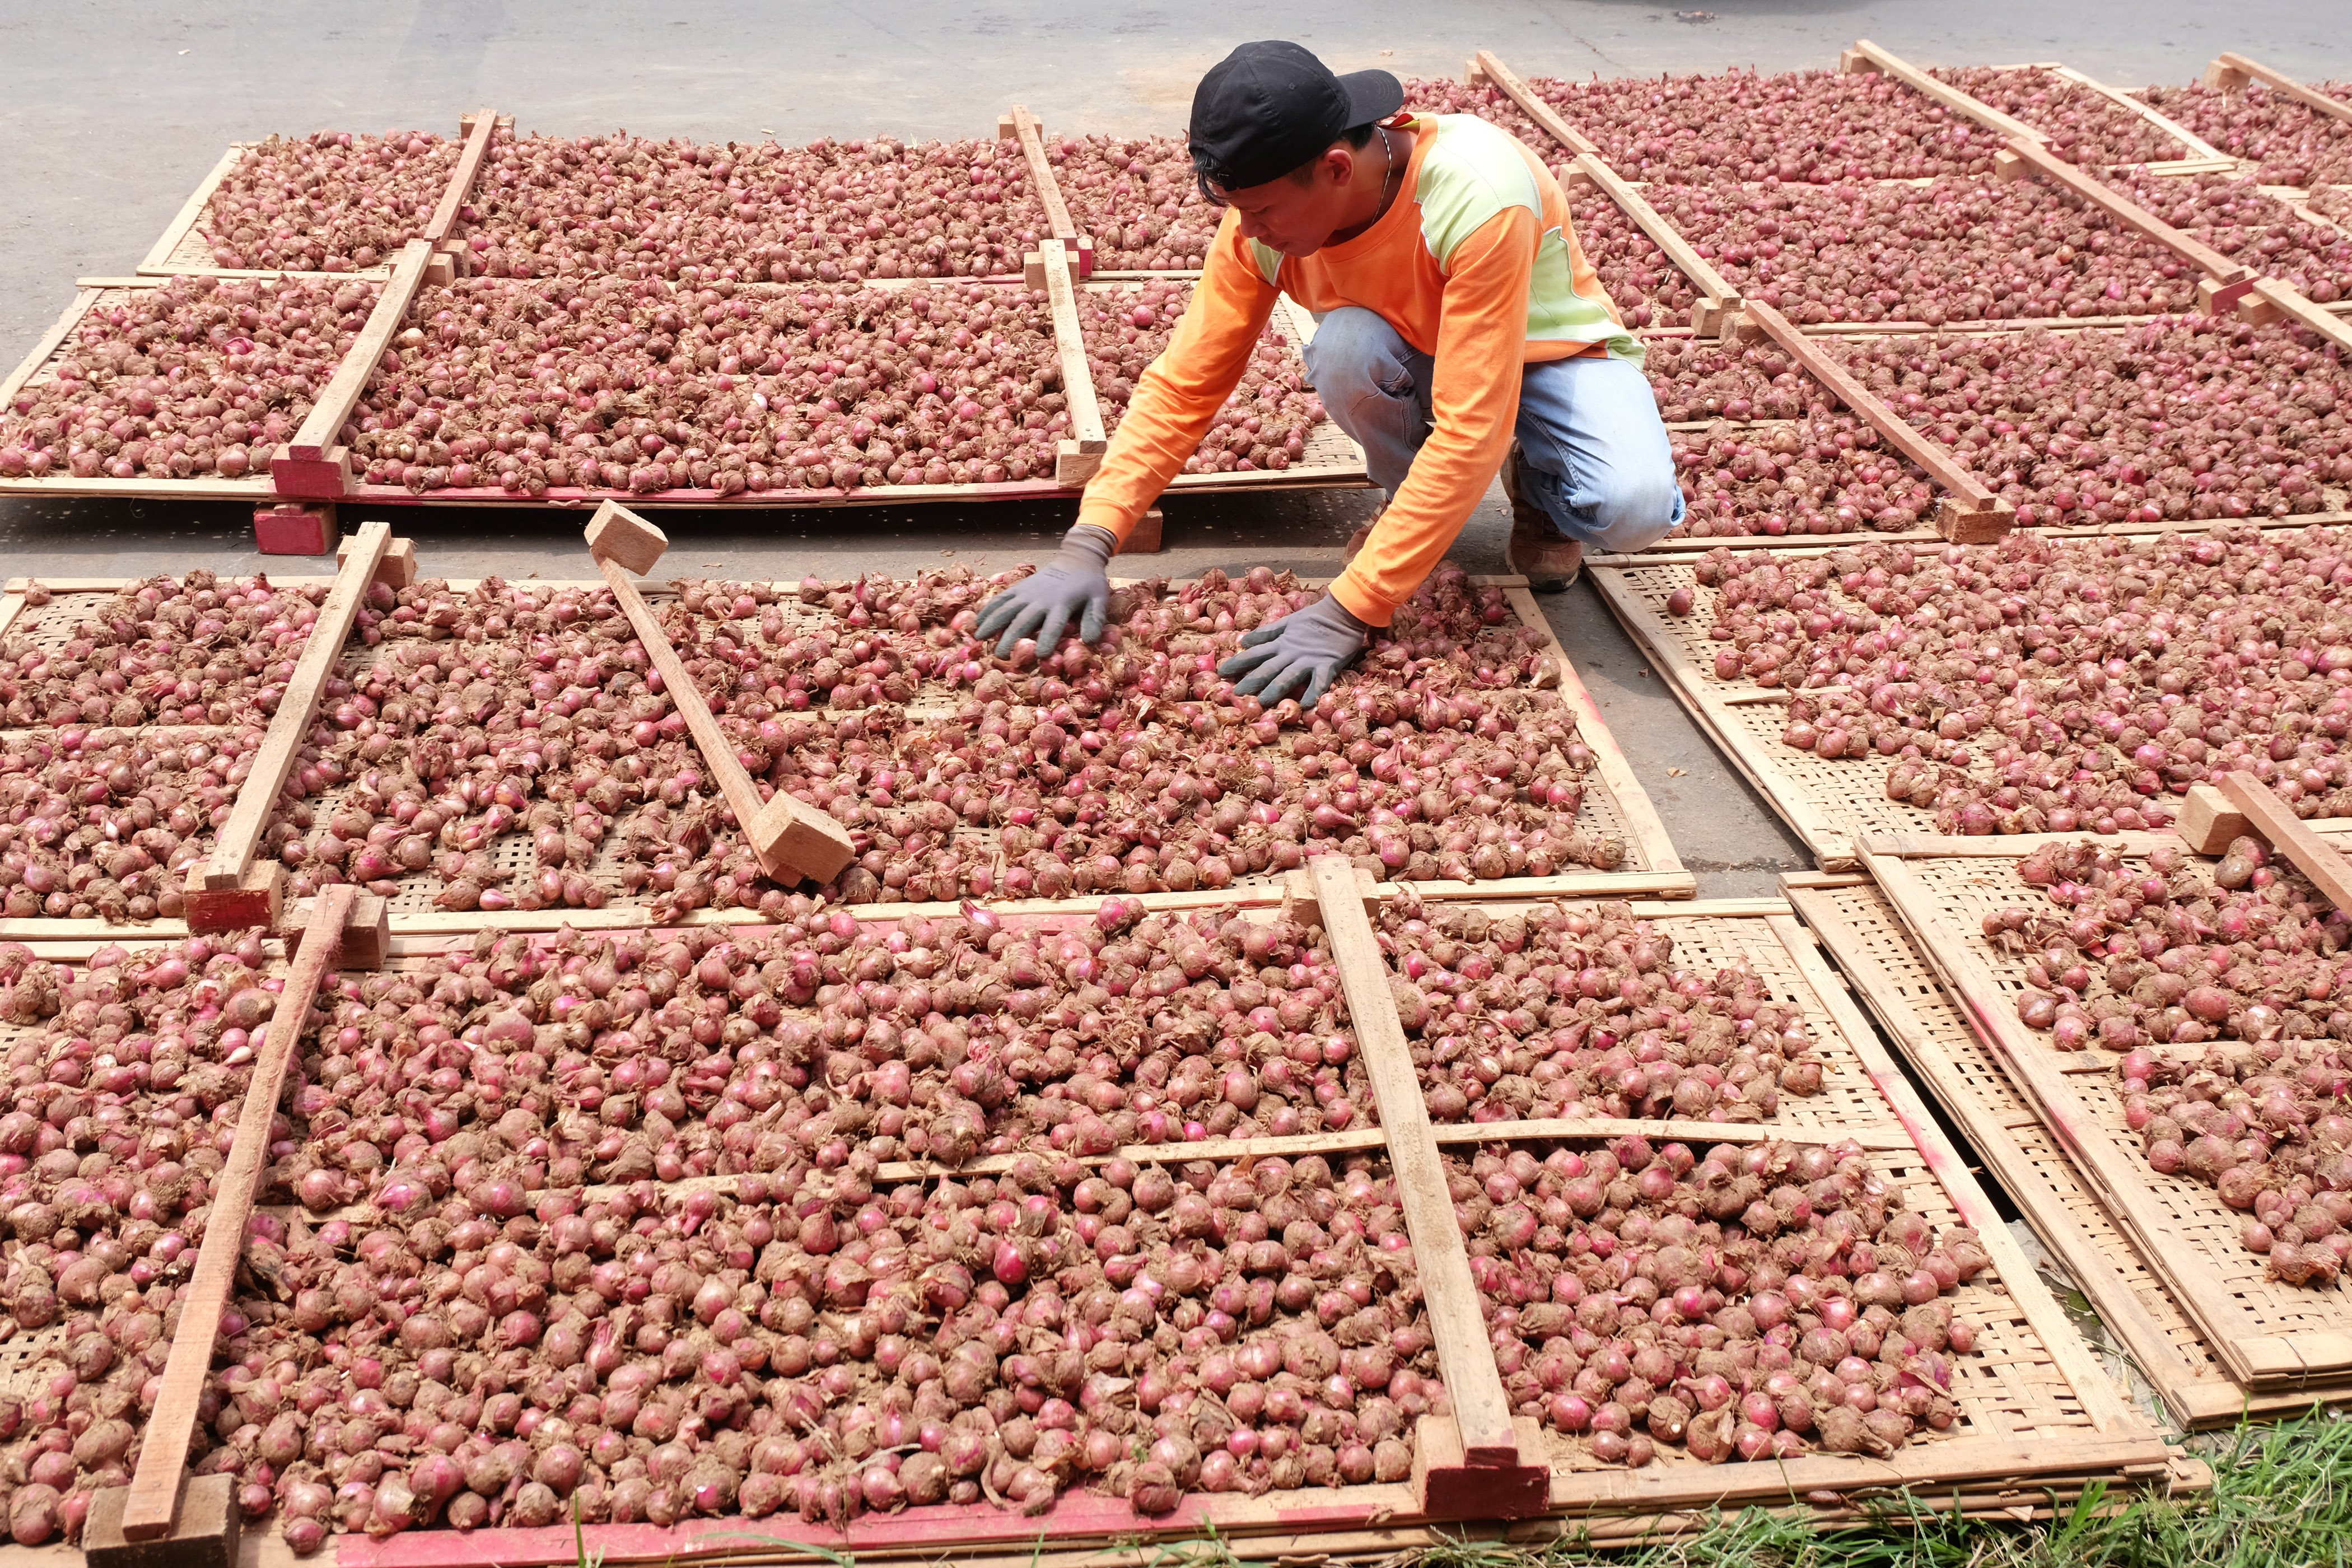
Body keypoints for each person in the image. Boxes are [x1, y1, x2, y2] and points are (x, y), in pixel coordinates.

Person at [977, 40, 1682, 707]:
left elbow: (1474, 424)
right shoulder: (1260, 222)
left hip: (1549, 358)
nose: (1247, 231)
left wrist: (1350, 609)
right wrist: (1090, 538)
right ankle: (1408, 515)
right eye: (1235, 210)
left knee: (1634, 508)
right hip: (1423, 359)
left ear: (1338, 170)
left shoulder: (1476, 197)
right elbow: (1187, 378)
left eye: (1258, 211)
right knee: (1346, 346)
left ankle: (1537, 483)